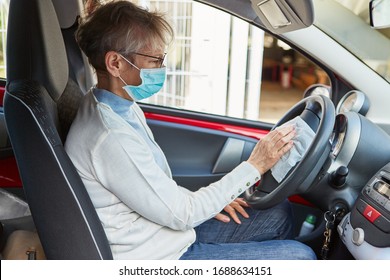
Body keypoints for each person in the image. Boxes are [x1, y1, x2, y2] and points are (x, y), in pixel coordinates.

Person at [65, 0, 316, 260]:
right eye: (155, 60)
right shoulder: (110, 138)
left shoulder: (117, 106)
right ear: (115, 63)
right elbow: (182, 213)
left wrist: (213, 202)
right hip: (157, 257)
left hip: (163, 231)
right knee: (302, 258)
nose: (161, 68)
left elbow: (156, 190)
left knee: (278, 214)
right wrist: (255, 165)